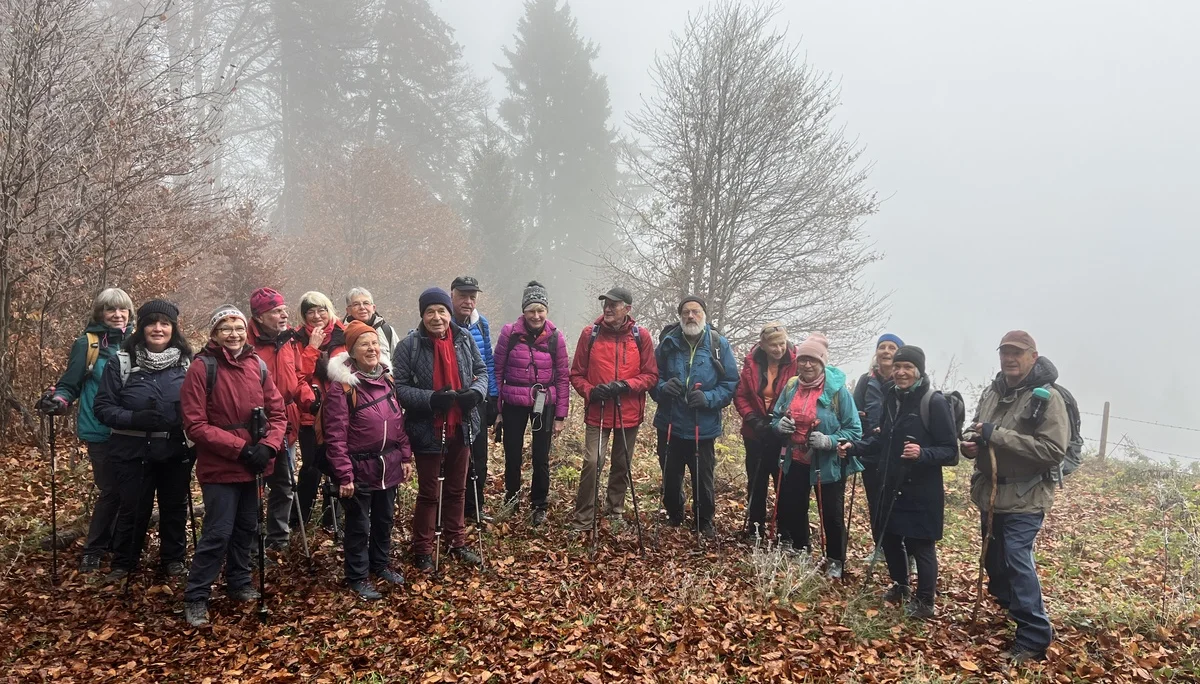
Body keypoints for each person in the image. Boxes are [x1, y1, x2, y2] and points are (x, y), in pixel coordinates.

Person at [961, 331, 1068, 663]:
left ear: (1033, 357)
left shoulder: (1048, 398)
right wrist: (971, 444)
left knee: (1016, 561)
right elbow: (978, 428)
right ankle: (1012, 606)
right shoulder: (993, 391)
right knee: (994, 561)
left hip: (1026, 495)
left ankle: (1034, 636)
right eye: (1005, 352)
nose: (1009, 358)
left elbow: (1053, 450)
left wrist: (997, 435)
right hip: (991, 492)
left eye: (1017, 353)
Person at [180, 305, 287, 627]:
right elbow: (195, 425)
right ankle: (196, 596)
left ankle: (239, 581)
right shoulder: (202, 367)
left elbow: (278, 413)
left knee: (247, 527)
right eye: (225, 328)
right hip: (220, 465)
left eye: (238, 327)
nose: (234, 334)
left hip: (255, 463)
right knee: (218, 531)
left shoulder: (257, 365)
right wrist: (241, 449)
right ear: (214, 334)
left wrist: (268, 446)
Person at [840, 345, 957, 617]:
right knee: (889, 537)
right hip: (890, 481)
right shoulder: (891, 398)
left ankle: (925, 600)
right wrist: (854, 447)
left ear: (919, 371)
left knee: (920, 543)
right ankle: (900, 585)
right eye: (897, 367)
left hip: (922, 487)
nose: (901, 372)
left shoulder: (933, 402)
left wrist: (923, 453)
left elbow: (951, 451)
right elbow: (883, 439)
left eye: (908, 367)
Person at [92, 299, 193, 583]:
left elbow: (203, 405)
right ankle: (124, 562)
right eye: (151, 323)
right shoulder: (122, 362)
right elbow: (102, 407)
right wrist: (133, 418)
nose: (158, 329)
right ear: (141, 327)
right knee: (133, 508)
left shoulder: (188, 363)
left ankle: (173, 560)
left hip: (175, 449)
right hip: (131, 450)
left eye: (165, 323)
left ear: (174, 328)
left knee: (175, 507)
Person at [37, 287, 133, 573]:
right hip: (100, 429)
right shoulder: (87, 344)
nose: (117, 315)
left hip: (133, 429)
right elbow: (70, 384)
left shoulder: (137, 342)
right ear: (100, 313)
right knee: (111, 490)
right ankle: (94, 550)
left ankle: (119, 544)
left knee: (130, 492)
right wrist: (58, 400)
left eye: (123, 309)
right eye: (110, 309)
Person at [393, 287, 487, 572]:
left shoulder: (464, 338)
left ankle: (456, 541)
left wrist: (476, 393)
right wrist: (431, 399)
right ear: (422, 315)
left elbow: (482, 371)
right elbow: (399, 389)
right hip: (426, 427)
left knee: (457, 488)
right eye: (430, 312)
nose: (437, 317)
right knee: (429, 491)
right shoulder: (408, 346)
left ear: (449, 313)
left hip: (463, 424)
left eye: (441, 311)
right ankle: (422, 547)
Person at [323, 321, 413, 599]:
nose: (372, 348)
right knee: (359, 525)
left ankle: (380, 564)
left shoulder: (388, 380)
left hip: (388, 464)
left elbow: (398, 423)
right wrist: (344, 475)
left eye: (374, 343)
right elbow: (335, 436)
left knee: (384, 519)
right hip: (358, 467)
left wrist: (406, 456)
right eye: (364, 344)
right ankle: (357, 576)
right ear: (351, 351)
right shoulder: (343, 388)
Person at [768, 333, 862, 577]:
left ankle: (835, 559)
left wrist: (829, 441)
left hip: (828, 463)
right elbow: (776, 416)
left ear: (822, 362)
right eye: (802, 359)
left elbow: (854, 430)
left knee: (831, 513)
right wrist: (780, 426)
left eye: (813, 360)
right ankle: (802, 547)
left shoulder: (838, 392)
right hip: (795, 458)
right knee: (794, 506)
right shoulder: (792, 387)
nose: (807, 365)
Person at [568, 287, 659, 535]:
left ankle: (614, 510)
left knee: (621, 463)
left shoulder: (641, 336)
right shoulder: (590, 334)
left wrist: (626, 386)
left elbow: (651, 375)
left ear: (627, 309)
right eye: (605, 304)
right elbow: (576, 374)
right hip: (598, 411)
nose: (607, 308)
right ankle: (583, 518)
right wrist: (591, 391)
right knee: (592, 462)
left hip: (628, 412)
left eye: (613, 305)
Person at [654, 295, 737, 539]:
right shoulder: (668, 343)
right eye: (686, 312)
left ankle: (704, 521)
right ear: (680, 316)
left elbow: (730, 382)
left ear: (704, 315)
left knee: (703, 477)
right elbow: (652, 376)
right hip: (670, 422)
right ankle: (674, 514)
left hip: (703, 425)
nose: (691, 316)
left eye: (696, 311)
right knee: (670, 475)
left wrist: (708, 398)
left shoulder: (718, 344)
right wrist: (663, 388)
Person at [493, 281, 570, 526]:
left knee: (541, 457)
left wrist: (560, 415)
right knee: (512, 454)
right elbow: (497, 371)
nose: (536, 316)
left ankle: (539, 504)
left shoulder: (556, 337)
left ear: (546, 311)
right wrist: (497, 410)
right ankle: (512, 498)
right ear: (523, 311)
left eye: (540, 310)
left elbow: (563, 377)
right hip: (513, 402)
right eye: (531, 310)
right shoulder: (509, 333)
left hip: (544, 403)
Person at [249, 288, 315, 553]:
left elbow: (297, 375)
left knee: (284, 482)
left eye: (284, 309)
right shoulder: (245, 343)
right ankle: (250, 542)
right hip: (255, 422)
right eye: (276, 311)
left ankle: (278, 539)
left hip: (287, 419)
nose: (284, 315)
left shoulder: (290, 340)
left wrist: (309, 398)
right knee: (254, 484)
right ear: (259, 316)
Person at [733, 322, 798, 540]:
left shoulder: (796, 363)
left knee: (784, 483)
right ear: (763, 345)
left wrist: (785, 420)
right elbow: (741, 395)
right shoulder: (751, 362)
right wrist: (752, 419)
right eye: (773, 345)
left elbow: (802, 394)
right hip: (755, 432)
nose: (779, 349)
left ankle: (785, 532)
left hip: (785, 434)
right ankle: (755, 529)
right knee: (756, 482)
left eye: (782, 344)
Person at [293, 291, 347, 528]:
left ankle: (332, 520)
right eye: (310, 312)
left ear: (329, 310)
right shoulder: (296, 339)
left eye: (321, 310)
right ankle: (299, 521)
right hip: (310, 413)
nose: (316, 316)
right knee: (311, 467)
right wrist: (312, 348)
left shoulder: (344, 334)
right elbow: (297, 377)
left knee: (338, 465)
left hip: (341, 413)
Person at [449, 276, 499, 524]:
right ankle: (451, 509)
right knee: (453, 456)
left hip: (477, 398)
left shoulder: (482, 324)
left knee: (479, 457)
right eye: (463, 296)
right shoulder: (441, 322)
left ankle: (475, 507)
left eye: (472, 297)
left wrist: (493, 397)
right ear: (452, 295)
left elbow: (488, 362)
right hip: (451, 400)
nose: (468, 301)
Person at [853, 333, 903, 561]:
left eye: (892, 347)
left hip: (897, 452)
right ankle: (880, 549)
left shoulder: (904, 380)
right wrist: (862, 425)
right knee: (875, 501)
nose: (886, 351)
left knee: (899, 502)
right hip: (871, 450)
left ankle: (905, 552)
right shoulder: (866, 380)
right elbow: (854, 413)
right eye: (882, 346)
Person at [343, 287, 402, 362]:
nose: (362, 307)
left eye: (366, 303)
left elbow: (399, 361)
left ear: (373, 308)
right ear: (348, 310)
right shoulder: (341, 334)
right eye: (356, 304)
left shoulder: (387, 331)